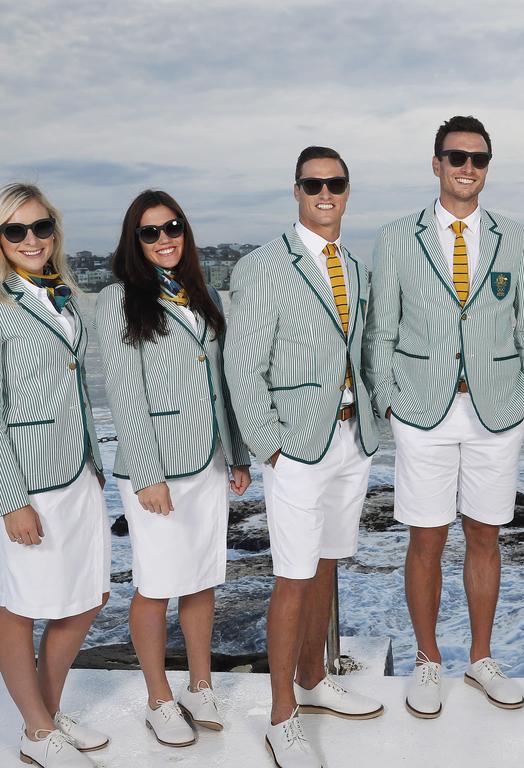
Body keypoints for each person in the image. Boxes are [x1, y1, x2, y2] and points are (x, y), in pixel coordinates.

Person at [364, 115, 524, 719]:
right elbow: (379, 327)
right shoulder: (398, 237)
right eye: (456, 156)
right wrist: (390, 399)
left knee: (486, 534)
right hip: (422, 410)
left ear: (487, 167)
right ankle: (427, 659)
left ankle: (482, 659)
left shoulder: (514, 237)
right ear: (436, 163)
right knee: (426, 536)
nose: (468, 167)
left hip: (497, 409)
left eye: (479, 158)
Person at [225, 147, 382, 768]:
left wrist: (377, 409)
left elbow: (362, 352)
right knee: (292, 574)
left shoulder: (356, 267)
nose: (325, 193)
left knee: (325, 564)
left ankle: (315, 682)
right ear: (296, 190)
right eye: (313, 184)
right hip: (296, 445)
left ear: (347, 191)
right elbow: (243, 363)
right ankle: (281, 715)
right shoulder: (264, 266)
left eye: (335, 184)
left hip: (349, 438)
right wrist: (268, 445)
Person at [95, 190, 251, 747]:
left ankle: (200, 685)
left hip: (207, 462)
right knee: (157, 584)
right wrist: (147, 474)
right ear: (133, 242)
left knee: (204, 576)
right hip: (156, 466)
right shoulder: (120, 300)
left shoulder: (200, 294)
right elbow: (124, 392)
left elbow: (221, 382)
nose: (164, 239)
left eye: (172, 227)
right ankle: (159, 696)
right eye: (150, 232)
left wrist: (235, 453)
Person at [0, 183, 109, 767]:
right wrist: (11, 499)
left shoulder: (61, 294)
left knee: (88, 595)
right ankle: (37, 733)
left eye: (40, 227)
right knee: (17, 606)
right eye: (14, 230)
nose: (31, 240)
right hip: (28, 480)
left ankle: (45, 710)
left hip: (79, 473)